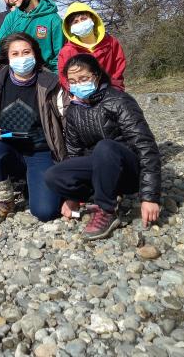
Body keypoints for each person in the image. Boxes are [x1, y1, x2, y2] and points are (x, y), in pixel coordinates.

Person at [44, 54, 161, 240]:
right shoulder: (73, 110)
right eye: (73, 81)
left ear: (97, 76)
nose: (78, 84)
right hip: (99, 170)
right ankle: (99, 196)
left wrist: (150, 197)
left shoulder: (119, 100)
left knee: (104, 147)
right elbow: (74, 153)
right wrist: (72, 198)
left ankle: (106, 210)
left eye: (84, 78)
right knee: (54, 175)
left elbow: (146, 146)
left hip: (128, 170)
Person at [0, 32, 66, 221]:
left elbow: (68, 120)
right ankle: (4, 200)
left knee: (45, 212)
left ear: (35, 54)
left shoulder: (51, 83)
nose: (21, 58)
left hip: (41, 152)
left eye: (26, 52)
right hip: (7, 150)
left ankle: (32, 183)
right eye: (15, 54)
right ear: (7, 58)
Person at [0, 0, 64, 72]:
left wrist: (54, 82)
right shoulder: (11, 18)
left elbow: (60, 58)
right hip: (15, 78)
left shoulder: (53, 20)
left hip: (45, 81)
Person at [57, 2, 126, 91]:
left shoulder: (111, 42)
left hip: (110, 92)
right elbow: (64, 78)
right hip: (83, 97)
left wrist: (115, 91)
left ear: (93, 19)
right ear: (70, 28)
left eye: (83, 19)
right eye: (75, 22)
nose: (80, 23)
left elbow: (118, 69)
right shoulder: (67, 51)